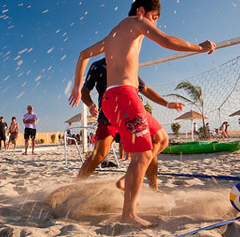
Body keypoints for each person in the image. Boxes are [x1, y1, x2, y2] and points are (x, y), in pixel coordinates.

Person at [69, 0, 215, 226]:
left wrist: (76, 86)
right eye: (154, 17)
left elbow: (83, 54)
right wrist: (199, 47)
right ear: (140, 11)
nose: (154, 24)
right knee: (141, 154)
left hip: (119, 98)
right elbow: (166, 41)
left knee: (161, 138)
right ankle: (128, 215)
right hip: (122, 97)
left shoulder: (113, 35)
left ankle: (126, 181)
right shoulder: (136, 23)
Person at [75, 57, 184, 189]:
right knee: (99, 155)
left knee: (148, 147)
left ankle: (153, 188)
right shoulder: (98, 66)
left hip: (132, 115)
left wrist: (167, 103)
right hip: (109, 116)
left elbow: (145, 89)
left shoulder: (127, 64)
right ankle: (75, 185)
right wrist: (91, 104)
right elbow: (84, 92)